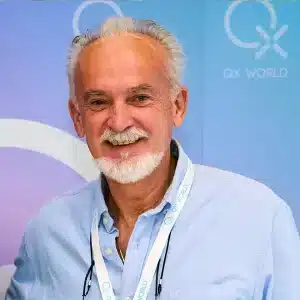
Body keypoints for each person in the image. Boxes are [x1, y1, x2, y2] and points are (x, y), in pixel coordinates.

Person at [5, 16, 300, 300]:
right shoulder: (46, 234)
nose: (119, 122)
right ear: (77, 118)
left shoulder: (258, 219)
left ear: (177, 106)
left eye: (139, 98)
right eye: (98, 102)